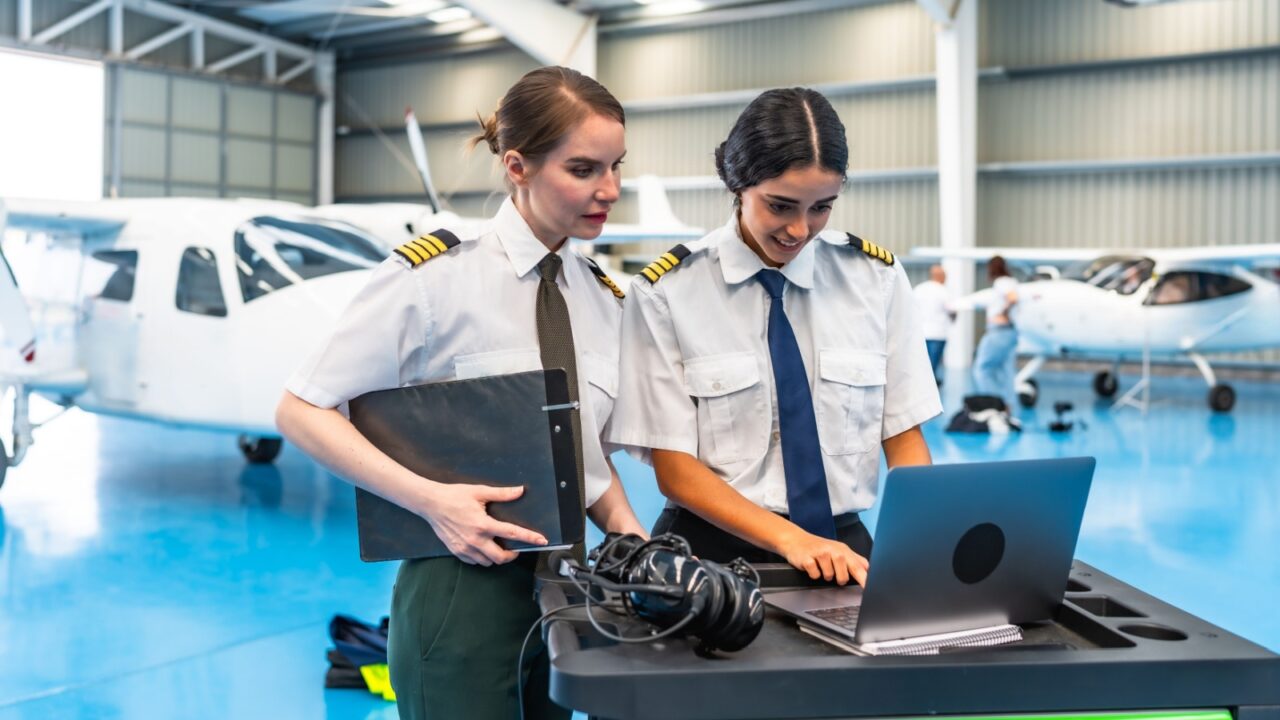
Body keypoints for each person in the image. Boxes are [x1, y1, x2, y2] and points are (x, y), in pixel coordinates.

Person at [275, 66, 647, 720]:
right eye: (584, 169)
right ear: (517, 166)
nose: (609, 189)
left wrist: (633, 539)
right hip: (461, 587)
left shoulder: (599, 297)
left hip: (565, 595)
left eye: (617, 166)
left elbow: (585, 457)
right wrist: (431, 501)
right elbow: (302, 409)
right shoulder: (434, 278)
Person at [608, 88, 942, 588]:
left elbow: (903, 435)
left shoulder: (876, 280)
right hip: (711, 557)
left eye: (822, 207)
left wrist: (923, 536)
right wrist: (791, 541)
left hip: (842, 551)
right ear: (737, 184)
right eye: (780, 205)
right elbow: (674, 468)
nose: (799, 229)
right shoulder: (666, 293)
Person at [971, 255, 1020, 406]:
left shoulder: (1001, 282)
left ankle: (993, 405)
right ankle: (1007, 406)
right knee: (1005, 372)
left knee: (982, 369)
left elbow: (1013, 298)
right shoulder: (1013, 281)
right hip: (1011, 332)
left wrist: (1002, 312)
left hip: (998, 331)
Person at [913, 264, 956, 384]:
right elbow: (952, 311)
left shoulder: (919, 289)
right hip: (938, 333)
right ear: (941, 276)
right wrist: (953, 318)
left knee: (920, 364)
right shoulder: (944, 291)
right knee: (932, 366)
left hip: (920, 332)